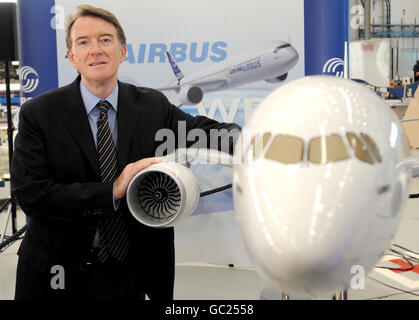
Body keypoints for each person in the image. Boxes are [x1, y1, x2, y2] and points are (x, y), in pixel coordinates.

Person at [11, 4, 240, 300]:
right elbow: (33, 195)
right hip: (58, 271)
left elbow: (204, 132)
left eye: (106, 39)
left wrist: (265, 136)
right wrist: (112, 191)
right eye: (83, 42)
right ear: (71, 57)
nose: (95, 49)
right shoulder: (39, 114)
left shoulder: (152, 106)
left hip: (133, 272)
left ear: (122, 51)